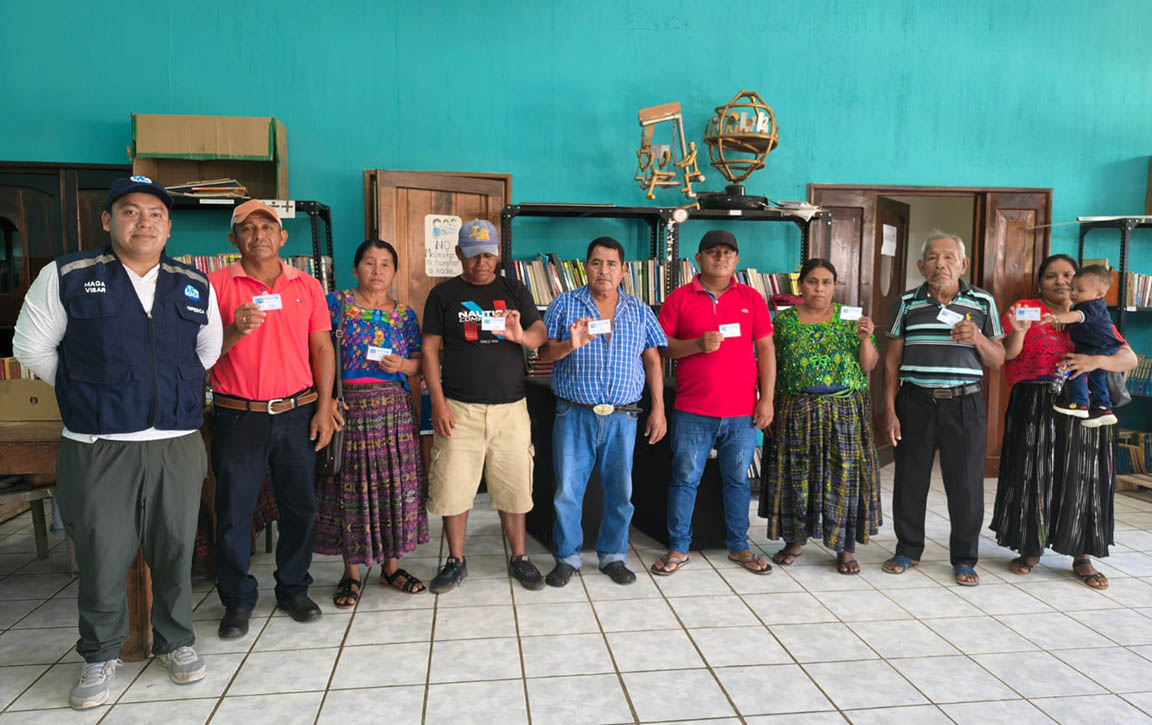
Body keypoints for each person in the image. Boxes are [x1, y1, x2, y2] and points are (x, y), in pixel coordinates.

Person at [12, 176, 222, 708]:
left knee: (176, 549)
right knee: (101, 554)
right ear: (108, 221)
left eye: (156, 214)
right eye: (130, 211)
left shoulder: (193, 284)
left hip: (177, 442)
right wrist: (88, 392)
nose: (144, 222)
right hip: (98, 444)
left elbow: (207, 350)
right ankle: (99, 654)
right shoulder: (69, 276)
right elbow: (31, 347)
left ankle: (176, 642)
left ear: (168, 227)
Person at [209, 199, 341, 638]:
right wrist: (235, 330)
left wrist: (324, 406)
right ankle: (237, 599)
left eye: (267, 226)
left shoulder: (307, 285)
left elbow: (322, 348)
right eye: (248, 228)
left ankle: (293, 588)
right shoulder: (214, 286)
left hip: (296, 413)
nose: (259, 235)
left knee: (300, 507)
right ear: (233, 239)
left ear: (282, 236)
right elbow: (199, 354)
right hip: (238, 416)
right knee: (234, 513)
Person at [991, 254, 1138, 589]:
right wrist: (1019, 331)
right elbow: (1008, 354)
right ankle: (1030, 547)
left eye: (1068, 275)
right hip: (1034, 401)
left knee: (1083, 476)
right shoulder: (1026, 309)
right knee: (1032, 473)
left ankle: (1082, 554)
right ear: (1040, 283)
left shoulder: (1094, 314)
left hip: (1085, 406)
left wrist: (1092, 361)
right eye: (1051, 276)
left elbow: (1127, 357)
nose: (1060, 281)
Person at [421, 219, 549, 594]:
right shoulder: (442, 295)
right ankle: (455, 560)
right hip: (459, 409)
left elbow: (539, 334)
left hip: (511, 410)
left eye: (488, 255)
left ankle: (519, 557)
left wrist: (521, 336)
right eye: (474, 255)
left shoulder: (514, 289)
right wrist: (437, 403)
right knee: (453, 488)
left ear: (497, 255)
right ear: (459, 254)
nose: (482, 262)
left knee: (514, 487)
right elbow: (429, 350)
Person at [537, 236, 668, 587]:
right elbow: (544, 353)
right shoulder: (564, 304)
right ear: (586, 267)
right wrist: (570, 344)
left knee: (620, 493)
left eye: (612, 264)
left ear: (623, 270)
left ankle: (613, 556)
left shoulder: (639, 310)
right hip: (574, 414)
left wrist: (658, 408)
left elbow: (652, 360)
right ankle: (567, 557)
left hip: (623, 417)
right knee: (567, 492)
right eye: (596, 263)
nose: (604, 270)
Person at [882, 231, 1005, 586]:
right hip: (915, 401)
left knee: (965, 483)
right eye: (933, 257)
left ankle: (964, 558)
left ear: (963, 264)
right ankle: (908, 549)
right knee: (910, 479)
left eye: (949, 257)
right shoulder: (907, 302)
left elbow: (998, 359)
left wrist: (977, 337)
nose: (941, 264)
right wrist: (889, 409)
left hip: (964, 402)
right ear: (921, 266)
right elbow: (891, 362)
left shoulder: (982, 301)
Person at [313, 240, 430, 607]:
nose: (377, 271)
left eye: (385, 264)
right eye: (369, 263)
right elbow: (317, 351)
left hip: (395, 412)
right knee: (349, 490)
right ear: (355, 269)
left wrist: (405, 366)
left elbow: (421, 363)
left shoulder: (405, 315)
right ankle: (350, 573)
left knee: (393, 489)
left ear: (394, 272)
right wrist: (327, 398)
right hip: (348, 410)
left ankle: (391, 567)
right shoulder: (336, 304)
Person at [652, 230, 773, 576]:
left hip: (741, 412)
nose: (720, 258)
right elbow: (661, 347)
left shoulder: (752, 298)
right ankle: (678, 547)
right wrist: (695, 345)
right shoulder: (679, 299)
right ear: (698, 258)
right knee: (684, 479)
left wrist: (766, 399)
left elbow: (766, 349)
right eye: (713, 252)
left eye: (727, 253)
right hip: (693, 411)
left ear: (737, 260)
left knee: (737, 481)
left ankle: (739, 545)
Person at [760, 258, 881, 575]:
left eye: (826, 282)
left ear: (834, 286)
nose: (819, 288)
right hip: (795, 409)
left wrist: (865, 338)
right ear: (801, 285)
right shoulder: (784, 322)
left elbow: (868, 365)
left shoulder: (851, 317)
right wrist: (767, 403)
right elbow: (770, 365)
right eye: (812, 281)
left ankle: (844, 549)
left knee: (843, 478)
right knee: (795, 478)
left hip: (844, 411)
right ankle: (794, 542)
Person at [1046, 264, 1125, 426]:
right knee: (1097, 379)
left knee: (1076, 369)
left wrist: (1059, 318)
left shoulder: (1091, 306)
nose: (1073, 293)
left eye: (1080, 290)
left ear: (1099, 294)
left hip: (1096, 347)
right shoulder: (1093, 306)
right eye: (1072, 289)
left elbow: (1078, 316)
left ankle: (1079, 403)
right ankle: (1103, 408)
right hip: (1105, 347)